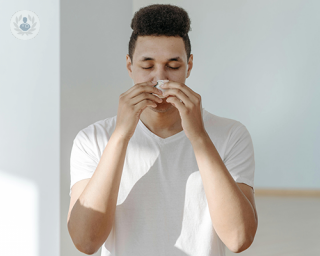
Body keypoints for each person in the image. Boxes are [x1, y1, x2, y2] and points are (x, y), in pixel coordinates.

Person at [67, 4, 258, 256]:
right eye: (147, 66)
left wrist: (199, 137)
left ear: (189, 66)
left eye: (173, 66)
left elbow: (238, 239)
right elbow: (85, 241)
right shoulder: (92, 139)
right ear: (129, 66)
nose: (160, 79)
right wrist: (121, 135)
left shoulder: (231, 135)